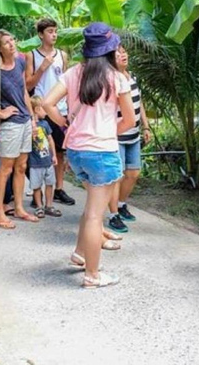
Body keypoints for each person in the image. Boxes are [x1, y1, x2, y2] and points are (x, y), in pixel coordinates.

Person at [43, 22, 135, 289]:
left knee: (90, 208)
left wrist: (65, 124)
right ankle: (93, 275)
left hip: (76, 151)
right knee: (96, 215)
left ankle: (80, 254)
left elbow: (47, 104)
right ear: (109, 50)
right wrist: (107, 132)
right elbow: (129, 120)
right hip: (102, 152)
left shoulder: (74, 73)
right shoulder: (117, 78)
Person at [0, 29, 39, 229]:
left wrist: (32, 117)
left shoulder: (20, 62)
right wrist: (1, 113)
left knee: (21, 167)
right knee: (6, 169)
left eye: (12, 39)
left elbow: (23, 91)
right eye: (6, 42)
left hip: (24, 120)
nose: (12, 44)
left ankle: (19, 208)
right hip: (10, 124)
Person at [25, 18, 75, 206]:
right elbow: (28, 84)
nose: (54, 35)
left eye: (55, 31)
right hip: (40, 110)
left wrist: (70, 109)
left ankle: (59, 189)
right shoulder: (32, 55)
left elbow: (68, 83)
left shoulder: (62, 55)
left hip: (60, 109)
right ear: (40, 34)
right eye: (50, 31)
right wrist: (42, 68)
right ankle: (38, 191)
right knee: (39, 151)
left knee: (60, 152)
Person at [107, 44, 152, 233]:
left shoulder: (132, 76)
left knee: (133, 173)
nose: (122, 55)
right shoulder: (111, 79)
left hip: (133, 135)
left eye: (124, 52)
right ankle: (113, 215)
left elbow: (139, 102)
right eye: (118, 53)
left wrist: (146, 125)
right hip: (117, 136)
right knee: (116, 177)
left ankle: (121, 204)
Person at [29, 96, 62, 218]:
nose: (46, 112)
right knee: (36, 186)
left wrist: (54, 155)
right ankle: (39, 206)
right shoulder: (29, 125)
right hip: (35, 162)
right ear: (37, 109)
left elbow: (50, 139)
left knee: (50, 183)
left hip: (47, 160)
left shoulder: (45, 124)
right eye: (44, 109)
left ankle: (49, 205)